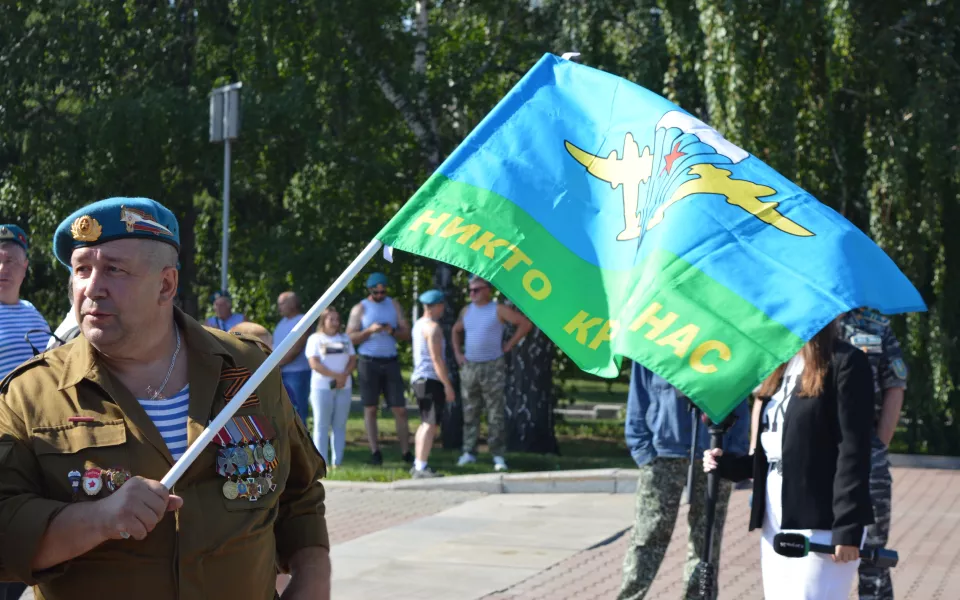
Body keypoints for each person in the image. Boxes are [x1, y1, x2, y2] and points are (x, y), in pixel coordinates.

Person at [0, 198, 331, 599]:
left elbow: (301, 492)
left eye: (114, 269)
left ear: (166, 285)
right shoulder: (31, 394)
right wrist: (98, 519)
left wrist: (313, 580)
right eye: (82, 269)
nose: (91, 287)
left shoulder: (248, 367)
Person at [704, 320, 875, 600]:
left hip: (823, 519)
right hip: (775, 514)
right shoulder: (780, 366)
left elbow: (853, 452)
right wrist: (729, 466)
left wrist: (847, 528)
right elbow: (776, 451)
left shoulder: (846, 362)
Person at [618, 363, 749, 600]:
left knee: (706, 542)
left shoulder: (725, 338)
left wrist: (734, 454)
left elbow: (739, 393)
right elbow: (639, 392)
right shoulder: (653, 336)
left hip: (714, 453)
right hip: (662, 454)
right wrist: (642, 449)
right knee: (648, 536)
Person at [838, 308, 906, 600]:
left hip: (867, 457)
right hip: (815, 454)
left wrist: (878, 444)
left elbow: (895, 383)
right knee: (815, 556)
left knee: (873, 556)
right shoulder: (804, 318)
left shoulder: (874, 324)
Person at [0, 225, 45, 600]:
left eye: (12, 260)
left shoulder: (33, 313)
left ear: (26, 267)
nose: (4, 267)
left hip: (31, 437)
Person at [452, 276, 532, 472]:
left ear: (488, 290)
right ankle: (469, 452)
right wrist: (458, 354)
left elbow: (524, 324)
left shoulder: (498, 309)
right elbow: (455, 330)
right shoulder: (467, 310)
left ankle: (497, 455)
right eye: (470, 290)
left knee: (495, 413)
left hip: (492, 366)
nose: (472, 294)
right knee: (470, 411)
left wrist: (509, 345)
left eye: (477, 290)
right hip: (470, 366)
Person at [346, 272, 412, 466]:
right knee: (370, 408)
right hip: (369, 361)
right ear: (370, 291)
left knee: (399, 408)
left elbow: (407, 333)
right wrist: (369, 331)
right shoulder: (360, 308)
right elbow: (349, 337)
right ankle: (375, 451)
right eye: (377, 292)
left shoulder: (394, 305)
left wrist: (392, 330)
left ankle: (406, 452)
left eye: (384, 292)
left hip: (390, 360)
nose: (381, 295)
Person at [409, 290, 456, 479]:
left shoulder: (418, 325)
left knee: (425, 423)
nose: (443, 308)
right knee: (430, 424)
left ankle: (418, 464)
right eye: (441, 305)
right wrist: (447, 385)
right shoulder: (433, 328)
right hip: (430, 379)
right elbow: (437, 359)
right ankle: (421, 467)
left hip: (419, 379)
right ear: (436, 306)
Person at [305, 307, 357, 468]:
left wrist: (344, 375)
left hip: (344, 386)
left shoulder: (345, 338)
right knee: (322, 425)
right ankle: (321, 463)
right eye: (331, 319)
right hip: (322, 387)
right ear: (323, 321)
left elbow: (352, 359)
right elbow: (314, 363)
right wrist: (336, 376)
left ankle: (337, 462)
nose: (335, 323)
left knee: (339, 425)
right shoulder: (315, 339)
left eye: (337, 319)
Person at [274, 292, 312, 425]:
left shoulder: (302, 320)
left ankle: (302, 444)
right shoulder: (281, 324)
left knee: (298, 412)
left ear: (293, 304)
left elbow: (296, 349)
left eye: (282, 303)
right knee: (281, 413)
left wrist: (274, 364)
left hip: (298, 374)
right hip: (280, 373)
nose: (279, 307)